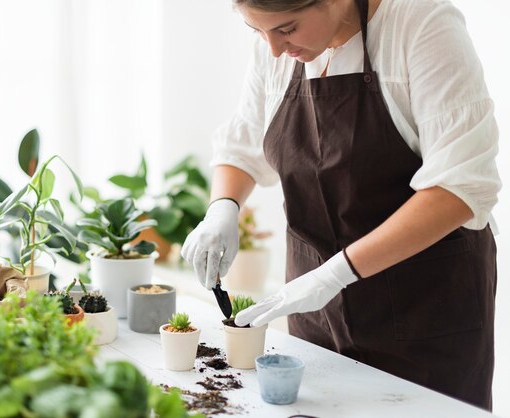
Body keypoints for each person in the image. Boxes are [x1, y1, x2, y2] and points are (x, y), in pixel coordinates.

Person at [180, 0, 500, 410]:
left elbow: (457, 188)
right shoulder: (276, 46)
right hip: (316, 310)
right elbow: (242, 145)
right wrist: (222, 206)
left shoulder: (422, 25)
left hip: (426, 312)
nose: (273, 49)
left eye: (287, 29)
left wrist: (333, 275)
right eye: (256, 32)